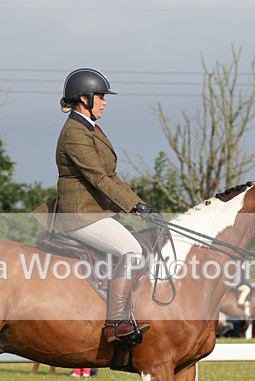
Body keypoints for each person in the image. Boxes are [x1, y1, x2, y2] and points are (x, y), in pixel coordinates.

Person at [33, 68, 162, 355]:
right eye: (100, 96)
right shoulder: (75, 132)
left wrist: (141, 205)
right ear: (84, 98)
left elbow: (111, 177)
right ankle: (115, 323)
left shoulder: (89, 128)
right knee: (132, 251)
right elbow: (98, 178)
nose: (105, 102)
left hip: (95, 212)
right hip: (80, 214)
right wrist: (133, 206)